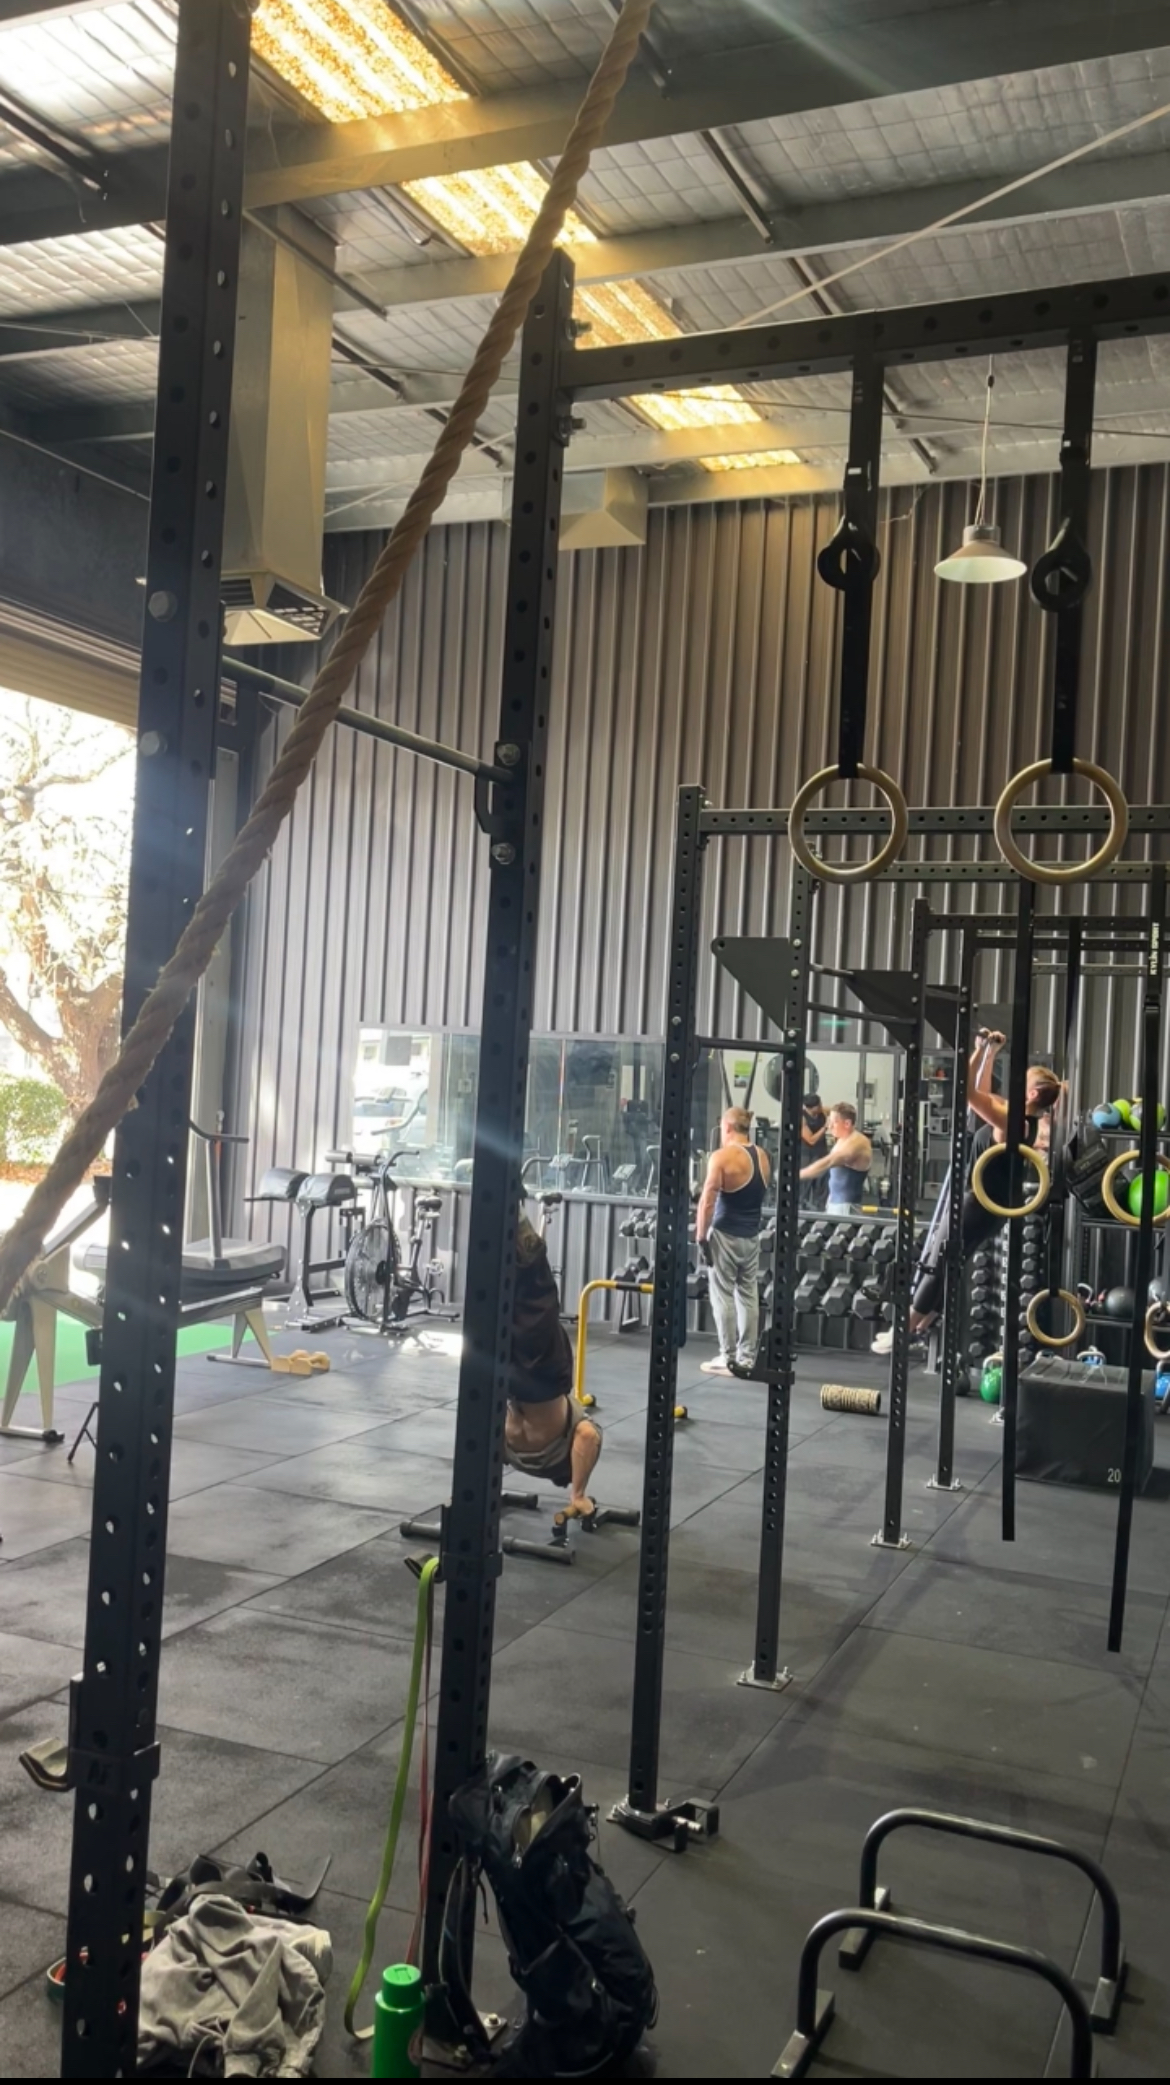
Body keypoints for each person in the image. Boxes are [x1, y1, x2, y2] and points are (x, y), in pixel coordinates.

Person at [870, 1034, 1063, 1356]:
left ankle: (902, 1331)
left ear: (1031, 1093)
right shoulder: (1017, 1116)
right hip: (990, 1207)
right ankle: (921, 1324)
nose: (1015, 1083)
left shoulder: (1014, 1121)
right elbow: (981, 1090)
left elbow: (968, 1093)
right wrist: (987, 1052)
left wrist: (981, 1051)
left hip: (978, 1204)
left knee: (937, 1261)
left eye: (1023, 1080)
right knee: (950, 1264)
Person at [504, 1210, 603, 1516]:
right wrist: (577, 1495)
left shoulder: (563, 1449)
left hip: (541, 1379)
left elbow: (587, 1437)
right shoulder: (539, 1454)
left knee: (536, 1304)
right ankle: (511, 1222)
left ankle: (515, 1214)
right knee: (515, 1310)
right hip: (513, 1386)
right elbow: (585, 1438)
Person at [694, 1107, 772, 1377]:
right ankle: (746, 1358)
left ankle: (727, 1358)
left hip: (725, 1234)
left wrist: (701, 1236)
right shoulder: (762, 1156)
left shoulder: (722, 1157)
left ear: (726, 1127)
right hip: (751, 1236)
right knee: (748, 1296)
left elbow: (707, 1201)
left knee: (723, 1295)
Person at [800, 1102, 872, 1212]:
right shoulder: (842, 1139)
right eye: (829, 1122)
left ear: (847, 1124)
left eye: (834, 1123)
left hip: (847, 1206)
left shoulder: (858, 1142)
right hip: (834, 1203)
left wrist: (797, 1175)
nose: (830, 1127)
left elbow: (828, 1162)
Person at [800, 1093, 829, 1208]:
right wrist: (825, 1127)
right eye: (819, 1105)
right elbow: (811, 1140)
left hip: (821, 1153)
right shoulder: (802, 1118)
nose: (821, 1106)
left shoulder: (822, 1112)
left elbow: (834, 1110)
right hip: (807, 1155)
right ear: (811, 1107)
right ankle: (802, 1208)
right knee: (805, 1185)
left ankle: (820, 1208)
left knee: (822, 1183)